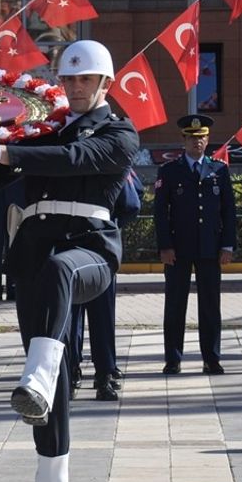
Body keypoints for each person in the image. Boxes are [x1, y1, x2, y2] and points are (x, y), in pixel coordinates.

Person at [0, 39, 138, 482]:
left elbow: (74, 158)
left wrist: (3, 148)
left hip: (89, 251)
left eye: (85, 79)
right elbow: (0, 168)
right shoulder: (42, 128)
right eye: (69, 79)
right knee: (49, 390)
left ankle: (35, 375)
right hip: (32, 253)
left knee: (60, 273)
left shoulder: (121, 132)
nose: (75, 87)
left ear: (105, 83)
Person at [154, 114, 235, 375]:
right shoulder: (169, 171)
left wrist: (228, 245)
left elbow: (228, 211)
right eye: (192, 138)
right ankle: (173, 358)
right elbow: (160, 212)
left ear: (208, 140)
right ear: (184, 140)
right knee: (175, 305)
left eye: (201, 138)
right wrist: (165, 246)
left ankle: (211, 358)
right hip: (178, 248)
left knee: (210, 305)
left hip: (210, 248)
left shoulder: (219, 170)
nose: (197, 142)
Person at [67, 169, 143, 401]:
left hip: (70, 244)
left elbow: (131, 199)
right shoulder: (110, 161)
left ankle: (72, 373)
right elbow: (131, 204)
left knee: (74, 317)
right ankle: (102, 376)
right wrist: (111, 227)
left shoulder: (66, 159)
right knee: (100, 318)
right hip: (100, 247)